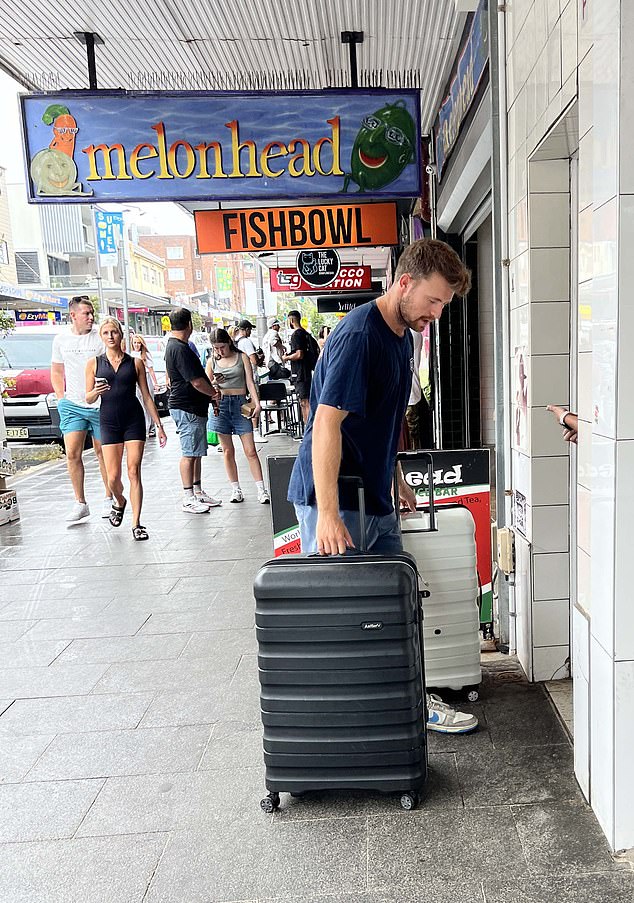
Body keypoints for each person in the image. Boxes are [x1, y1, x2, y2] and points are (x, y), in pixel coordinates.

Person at [288, 238, 478, 735]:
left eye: (444, 305)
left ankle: (409, 702)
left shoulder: (405, 335)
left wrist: (395, 477)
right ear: (405, 282)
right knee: (345, 616)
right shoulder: (359, 336)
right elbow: (326, 423)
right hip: (336, 497)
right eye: (433, 301)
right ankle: (352, 723)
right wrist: (327, 514)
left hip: (375, 495)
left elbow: (384, 419)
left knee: (397, 604)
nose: (436, 313)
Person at [85, 318, 166, 541]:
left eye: (114, 332)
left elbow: (147, 397)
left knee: (133, 471)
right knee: (112, 477)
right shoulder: (94, 363)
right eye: (106, 333)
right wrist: (96, 391)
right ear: (101, 337)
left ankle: (136, 523)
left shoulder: (135, 363)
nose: (111, 336)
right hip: (109, 420)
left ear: (121, 335)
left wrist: (159, 426)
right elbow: (88, 397)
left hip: (133, 419)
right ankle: (119, 501)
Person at [50, 295, 112, 524]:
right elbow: (56, 371)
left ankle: (109, 497)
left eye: (92, 313)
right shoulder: (61, 340)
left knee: (103, 452)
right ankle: (80, 502)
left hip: (99, 403)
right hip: (73, 405)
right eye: (86, 313)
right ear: (73, 315)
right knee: (72, 453)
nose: (91, 318)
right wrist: (60, 398)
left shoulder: (100, 338)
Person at [165, 308, 223, 514]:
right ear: (189, 324)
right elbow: (197, 381)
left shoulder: (177, 346)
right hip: (186, 406)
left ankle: (197, 491)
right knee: (189, 453)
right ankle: (188, 496)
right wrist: (214, 394)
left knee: (196, 452)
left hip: (192, 406)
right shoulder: (179, 348)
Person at [205, 328, 270, 504]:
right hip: (221, 405)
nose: (220, 351)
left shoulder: (242, 357)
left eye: (222, 347)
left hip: (240, 404)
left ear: (229, 343)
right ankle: (235, 489)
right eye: (216, 348)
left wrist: (257, 403)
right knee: (227, 451)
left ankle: (261, 489)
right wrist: (213, 383)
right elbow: (205, 386)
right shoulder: (212, 361)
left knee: (250, 450)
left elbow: (250, 381)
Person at [282, 310, 314, 424]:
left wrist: (286, 358)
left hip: (300, 373)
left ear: (291, 320)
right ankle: (309, 428)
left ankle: (308, 429)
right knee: (306, 400)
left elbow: (299, 354)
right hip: (306, 371)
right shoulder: (305, 333)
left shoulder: (296, 335)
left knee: (304, 402)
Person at [405, 328, 434, 449]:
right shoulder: (415, 334)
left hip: (409, 395)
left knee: (409, 437)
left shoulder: (410, 335)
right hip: (412, 394)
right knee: (412, 436)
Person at [131, 334, 159, 438]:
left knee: (149, 402)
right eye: (135, 343)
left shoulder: (146, 355)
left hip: (146, 378)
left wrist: (155, 383)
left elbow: (151, 370)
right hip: (135, 380)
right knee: (140, 404)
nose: (137, 345)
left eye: (138, 343)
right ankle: (144, 427)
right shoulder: (131, 354)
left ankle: (151, 427)